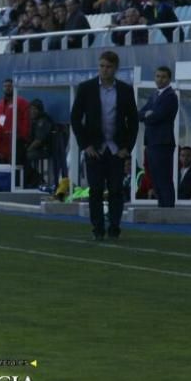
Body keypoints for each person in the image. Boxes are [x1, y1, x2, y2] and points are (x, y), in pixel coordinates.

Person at [70, 51, 139, 241]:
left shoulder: (125, 90)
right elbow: (76, 118)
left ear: (115, 68)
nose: (104, 70)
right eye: (101, 66)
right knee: (96, 190)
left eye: (108, 66)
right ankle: (97, 227)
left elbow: (133, 121)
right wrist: (85, 145)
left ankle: (114, 226)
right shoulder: (87, 88)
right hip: (95, 148)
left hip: (116, 148)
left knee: (116, 189)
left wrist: (127, 147)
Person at [139, 66, 179, 207]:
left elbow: (157, 117)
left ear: (169, 79)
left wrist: (148, 115)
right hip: (151, 142)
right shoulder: (154, 95)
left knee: (164, 178)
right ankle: (162, 207)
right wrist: (147, 114)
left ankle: (168, 209)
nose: (160, 79)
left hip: (162, 143)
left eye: (163, 77)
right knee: (155, 178)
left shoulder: (170, 96)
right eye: (157, 76)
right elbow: (140, 114)